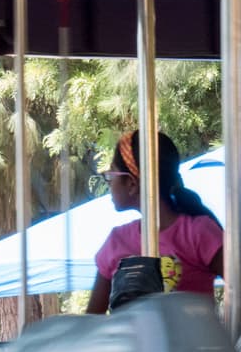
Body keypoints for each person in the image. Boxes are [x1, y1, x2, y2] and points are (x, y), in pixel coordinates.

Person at [85, 130, 223, 314]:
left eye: (111, 174)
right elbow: (93, 321)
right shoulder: (116, 241)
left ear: (132, 184)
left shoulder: (198, 233)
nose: (108, 182)